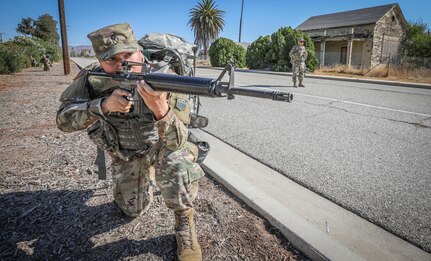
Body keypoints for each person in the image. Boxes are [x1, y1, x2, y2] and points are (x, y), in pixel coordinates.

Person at [56, 23, 204, 261]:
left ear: (138, 50)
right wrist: (102, 106)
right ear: (99, 60)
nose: (122, 63)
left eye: (128, 54)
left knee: (178, 159)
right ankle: (145, 178)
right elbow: (63, 121)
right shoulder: (92, 77)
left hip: (160, 148)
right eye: (112, 59)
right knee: (131, 211)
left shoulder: (165, 77)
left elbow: (178, 141)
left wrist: (161, 110)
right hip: (125, 152)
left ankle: (184, 222)